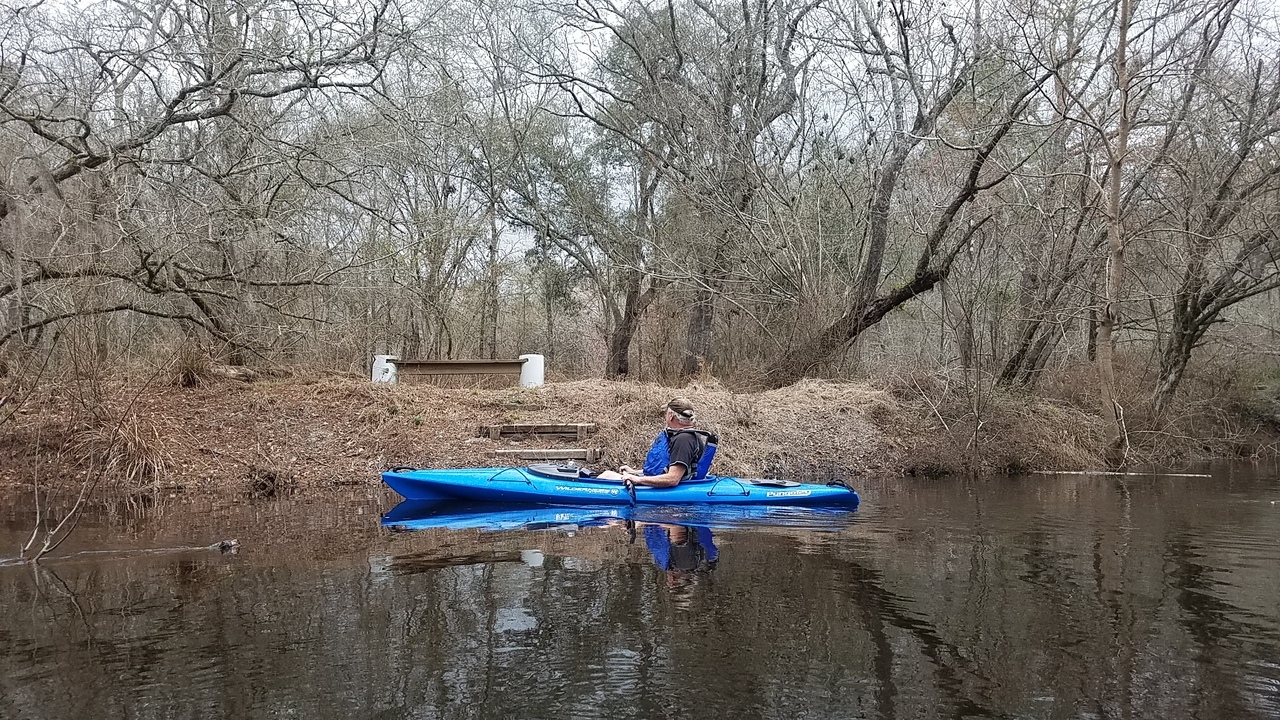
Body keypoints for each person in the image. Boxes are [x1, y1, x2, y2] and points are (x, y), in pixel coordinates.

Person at [599, 397, 715, 489]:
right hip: (669, 483)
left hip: (674, 491)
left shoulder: (683, 440)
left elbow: (673, 478)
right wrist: (635, 472)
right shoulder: (683, 436)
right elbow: (668, 469)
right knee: (607, 474)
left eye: (666, 413)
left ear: (671, 416)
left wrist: (638, 480)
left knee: (606, 476)